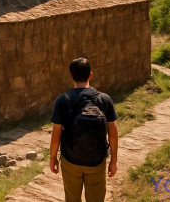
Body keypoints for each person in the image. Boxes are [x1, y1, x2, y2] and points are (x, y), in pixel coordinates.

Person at [48, 57, 119, 202]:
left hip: (70, 160)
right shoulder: (105, 99)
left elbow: (56, 135)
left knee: (72, 199)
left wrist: (53, 157)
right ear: (90, 75)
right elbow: (113, 133)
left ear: (70, 75)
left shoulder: (62, 100)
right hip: (97, 161)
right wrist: (114, 160)